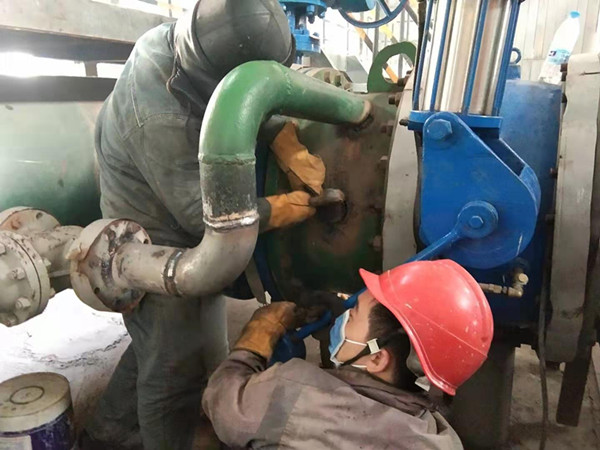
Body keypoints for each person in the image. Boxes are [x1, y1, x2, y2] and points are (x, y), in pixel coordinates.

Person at [83, 1, 326, 448]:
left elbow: (250, 95)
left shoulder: (192, 39)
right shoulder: (160, 115)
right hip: (154, 227)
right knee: (173, 365)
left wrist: (283, 137)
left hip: (184, 194)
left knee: (158, 342)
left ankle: (106, 433)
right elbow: (201, 215)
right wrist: (277, 209)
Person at [202, 260, 494, 449]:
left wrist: (257, 336)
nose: (342, 319)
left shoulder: (295, 391)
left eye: (352, 315)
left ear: (377, 358)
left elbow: (220, 401)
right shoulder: (442, 439)